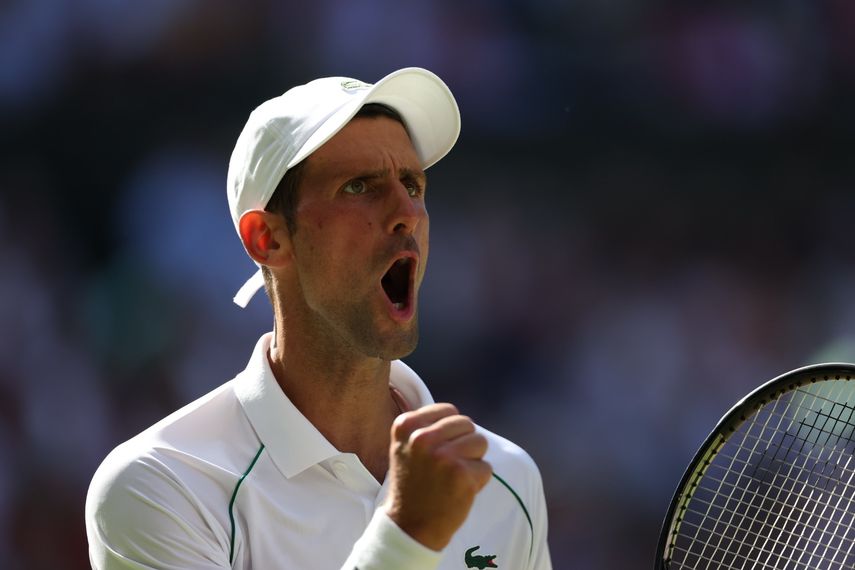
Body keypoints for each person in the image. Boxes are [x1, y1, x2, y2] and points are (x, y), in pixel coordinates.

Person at [85, 67, 552, 570]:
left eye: (413, 184)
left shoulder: (508, 480)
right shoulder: (159, 484)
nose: (408, 213)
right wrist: (408, 534)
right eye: (359, 187)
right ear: (267, 239)